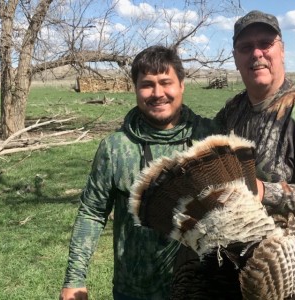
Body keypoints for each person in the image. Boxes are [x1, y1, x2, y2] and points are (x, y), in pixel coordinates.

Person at [59, 45, 219, 300]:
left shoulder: (210, 139)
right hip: (134, 290)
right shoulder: (116, 148)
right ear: (135, 88)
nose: (158, 93)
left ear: (182, 85)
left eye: (166, 82)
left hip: (202, 288)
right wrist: (74, 279)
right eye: (147, 84)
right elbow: (92, 213)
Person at [216, 10, 295, 240]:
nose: (257, 53)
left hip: (292, 256)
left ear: (282, 51)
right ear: (235, 58)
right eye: (246, 47)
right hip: (239, 244)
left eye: (265, 44)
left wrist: (265, 191)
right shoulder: (232, 111)